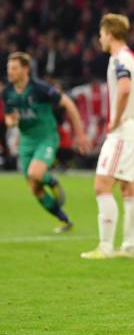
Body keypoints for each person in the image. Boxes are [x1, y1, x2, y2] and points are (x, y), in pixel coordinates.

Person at [81, 13, 134, 259]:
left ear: (110, 34)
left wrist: (117, 118)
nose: (99, 39)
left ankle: (105, 247)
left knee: (102, 185)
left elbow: (123, 89)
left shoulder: (118, 59)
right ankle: (129, 247)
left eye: (101, 34)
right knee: (129, 189)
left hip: (123, 133)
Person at [2, 52, 89, 233]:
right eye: (9, 68)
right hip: (26, 142)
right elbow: (9, 119)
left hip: (46, 138)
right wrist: (12, 121)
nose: (10, 72)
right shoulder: (8, 92)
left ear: (26, 69)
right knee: (35, 188)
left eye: (14, 68)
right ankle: (64, 219)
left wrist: (80, 134)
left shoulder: (40, 88)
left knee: (36, 173)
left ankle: (52, 181)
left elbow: (69, 104)